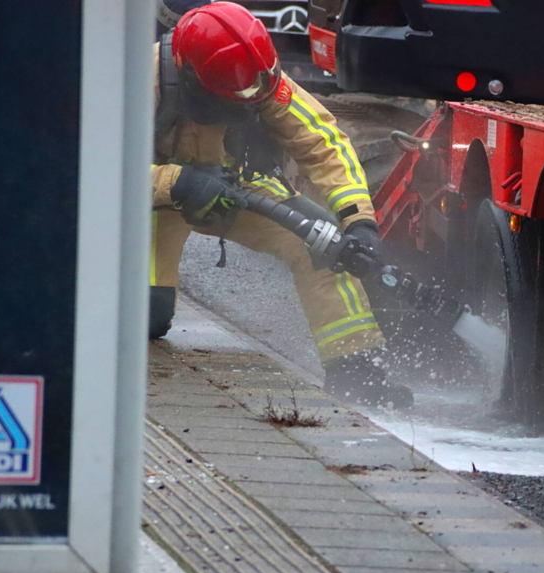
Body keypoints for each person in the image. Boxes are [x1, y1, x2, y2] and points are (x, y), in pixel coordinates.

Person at [150, 1, 412, 409]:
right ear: (192, 78)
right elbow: (92, 166)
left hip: (235, 188)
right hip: (148, 204)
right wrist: (175, 181)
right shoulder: (137, 82)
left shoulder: (261, 79)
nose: (249, 102)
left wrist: (359, 222)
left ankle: (357, 372)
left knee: (321, 247)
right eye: (236, 97)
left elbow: (324, 144)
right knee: (148, 316)